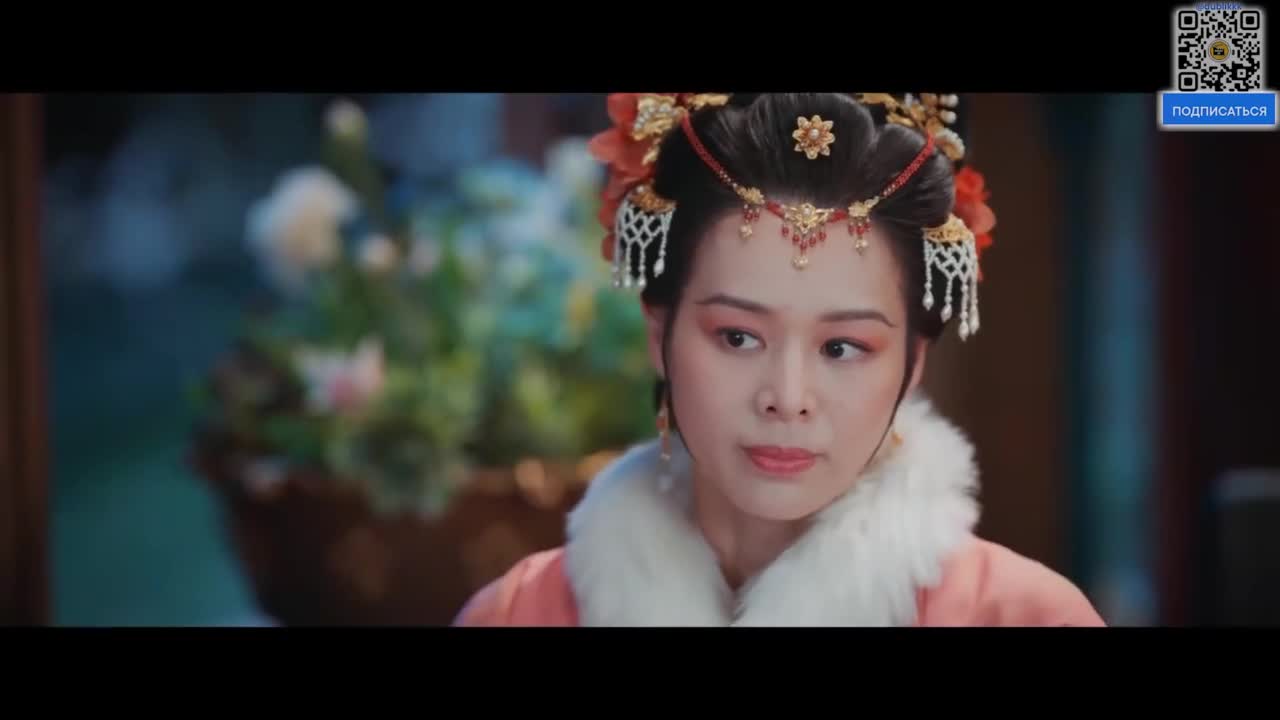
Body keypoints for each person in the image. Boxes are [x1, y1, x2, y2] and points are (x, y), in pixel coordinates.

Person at [452, 92, 1106, 626]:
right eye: (738, 337)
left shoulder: (1023, 617)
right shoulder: (519, 614)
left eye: (842, 347)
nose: (787, 398)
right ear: (660, 334)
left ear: (912, 365)